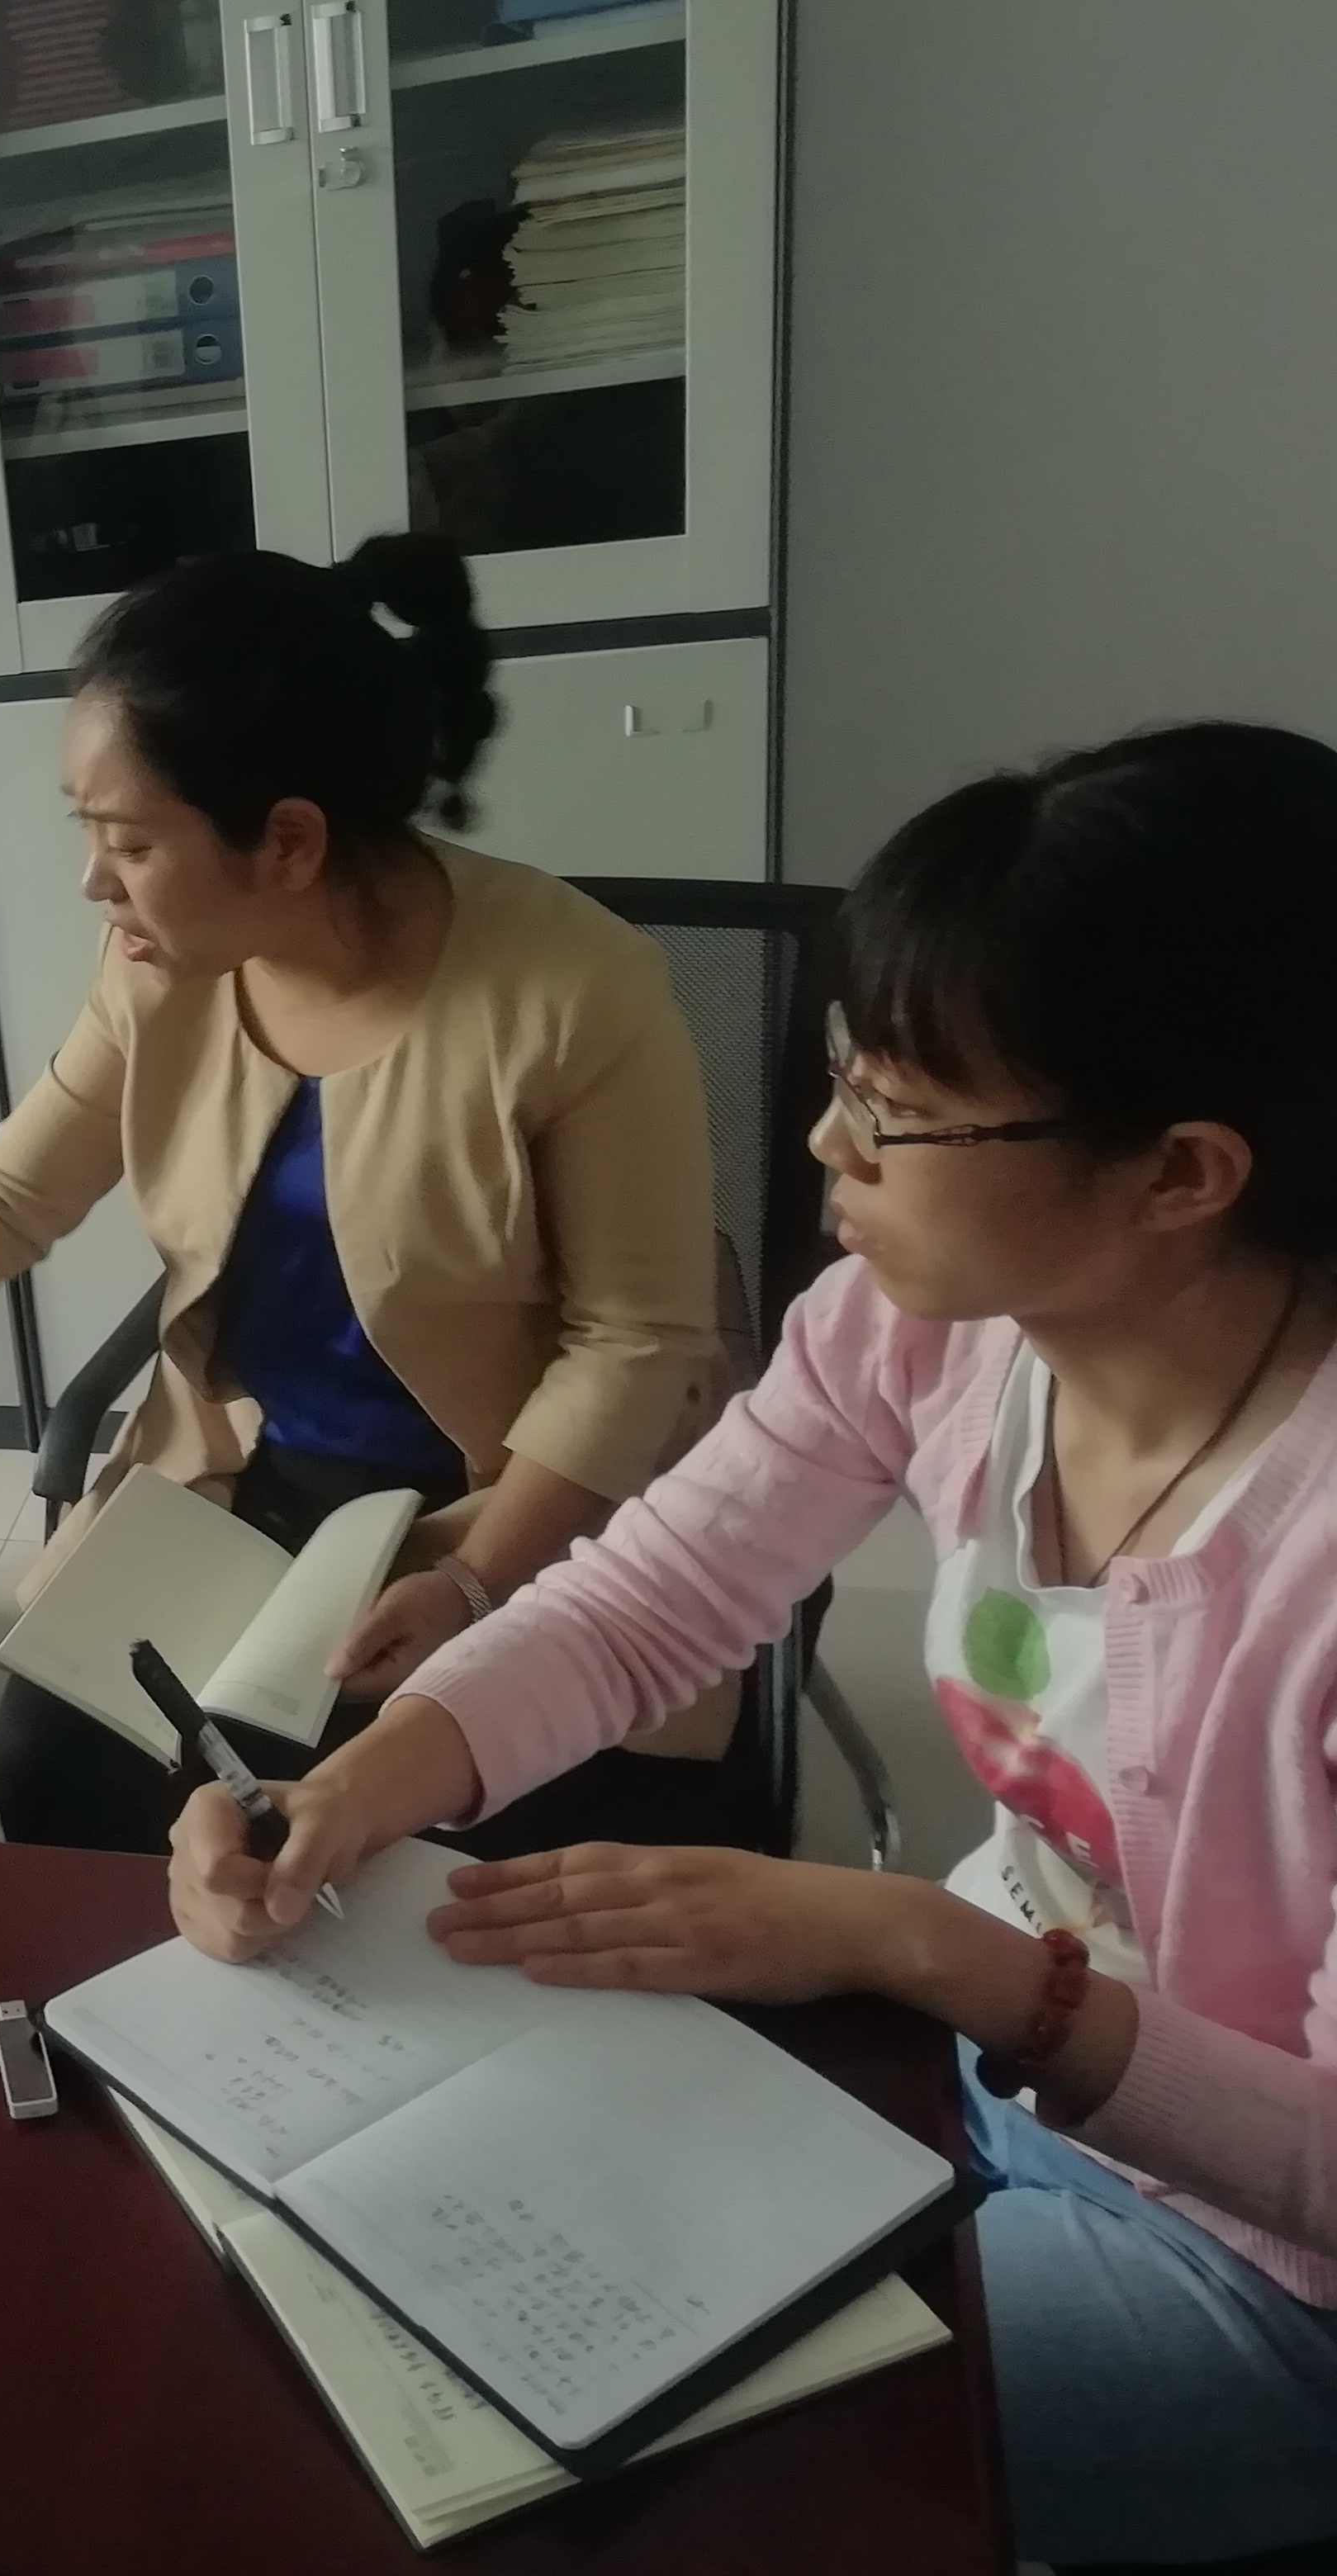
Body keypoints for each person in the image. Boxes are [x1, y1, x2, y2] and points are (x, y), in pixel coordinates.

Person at [172, 723, 1337, 2567]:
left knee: (640, 2446)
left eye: (896, 1111)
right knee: (473, 2273)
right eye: (842, 1075)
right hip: (995, 2069)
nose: (822, 1143)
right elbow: (658, 1593)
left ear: (1180, 1172)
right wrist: (362, 1786)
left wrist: (916, 1947)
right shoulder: (923, 1327)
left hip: (1268, 2281)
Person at [0, 537, 729, 1855]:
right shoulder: (162, 969)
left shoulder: (576, 995)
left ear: (289, 842)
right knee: (61, 1769)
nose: (95, 884)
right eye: (88, 834)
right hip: (256, 1480)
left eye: (131, 842)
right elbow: (2, 1198)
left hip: (512, 1501)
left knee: (411, 1838)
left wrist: (472, 1581)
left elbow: (635, 1344)